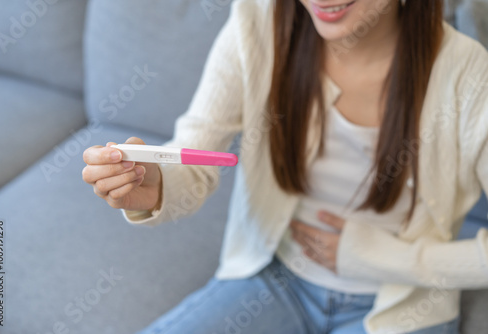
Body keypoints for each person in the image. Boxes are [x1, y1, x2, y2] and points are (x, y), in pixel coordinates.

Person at [81, 0, 488, 333]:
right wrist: (155, 184)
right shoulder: (256, 23)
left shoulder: (469, 74)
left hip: (403, 305)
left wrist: (377, 258)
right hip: (276, 279)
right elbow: (194, 154)